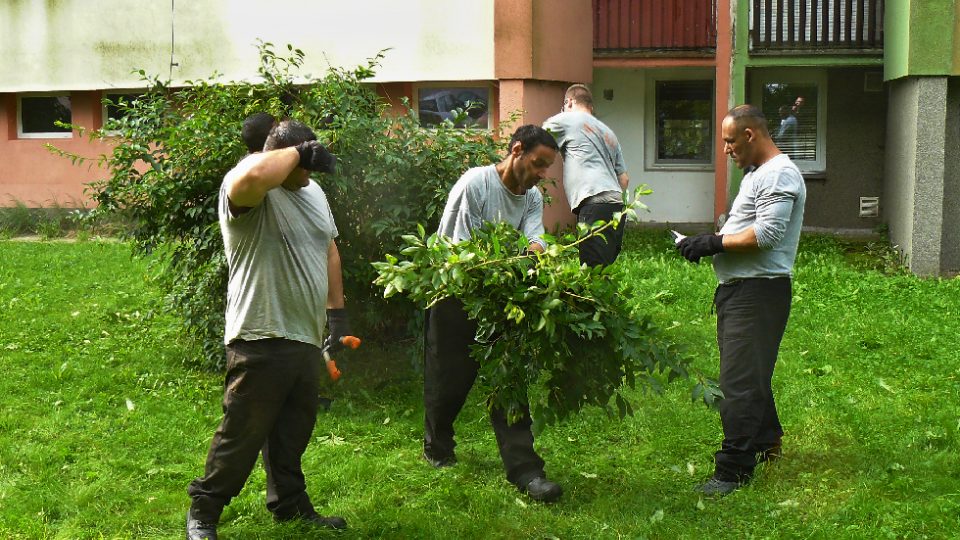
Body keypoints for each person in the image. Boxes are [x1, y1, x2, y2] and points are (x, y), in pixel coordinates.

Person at [186, 119, 351, 539]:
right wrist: (298, 152)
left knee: (292, 433)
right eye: (303, 164)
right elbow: (256, 174)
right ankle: (204, 513)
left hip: (305, 335)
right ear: (282, 156)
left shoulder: (311, 191)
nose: (309, 175)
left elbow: (328, 246)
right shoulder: (247, 185)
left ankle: (290, 505)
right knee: (242, 432)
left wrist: (337, 313)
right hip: (260, 332)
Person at [422, 124, 564, 503]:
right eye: (537, 164)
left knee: (509, 379)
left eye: (546, 168)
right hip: (455, 292)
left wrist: (538, 254)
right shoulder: (476, 184)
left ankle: (527, 471)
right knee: (449, 378)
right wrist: (508, 267)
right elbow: (459, 251)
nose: (541, 174)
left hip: (502, 297)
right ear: (517, 150)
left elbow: (533, 238)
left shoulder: (532, 196)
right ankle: (437, 444)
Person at [676, 105, 806, 496]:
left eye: (731, 141)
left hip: (757, 293)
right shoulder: (758, 174)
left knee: (738, 384)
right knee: (751, 374)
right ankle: (767, 443)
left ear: (751, 135)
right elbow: (747, 228)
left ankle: (732, 471)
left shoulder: (779, 173)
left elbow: (766, 235)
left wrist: (712, 242)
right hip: (742, 291)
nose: (727, 150)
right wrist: (708, 242)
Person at [542, 84, 629, 266]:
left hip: (593, 203)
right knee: (603, 269)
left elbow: (538, 140)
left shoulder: (568, 118)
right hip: (617, 207)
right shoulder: (608, 133)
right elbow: (624, 179)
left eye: (564, 106)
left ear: (569, 102)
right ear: (591, 106)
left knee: (591, 272)